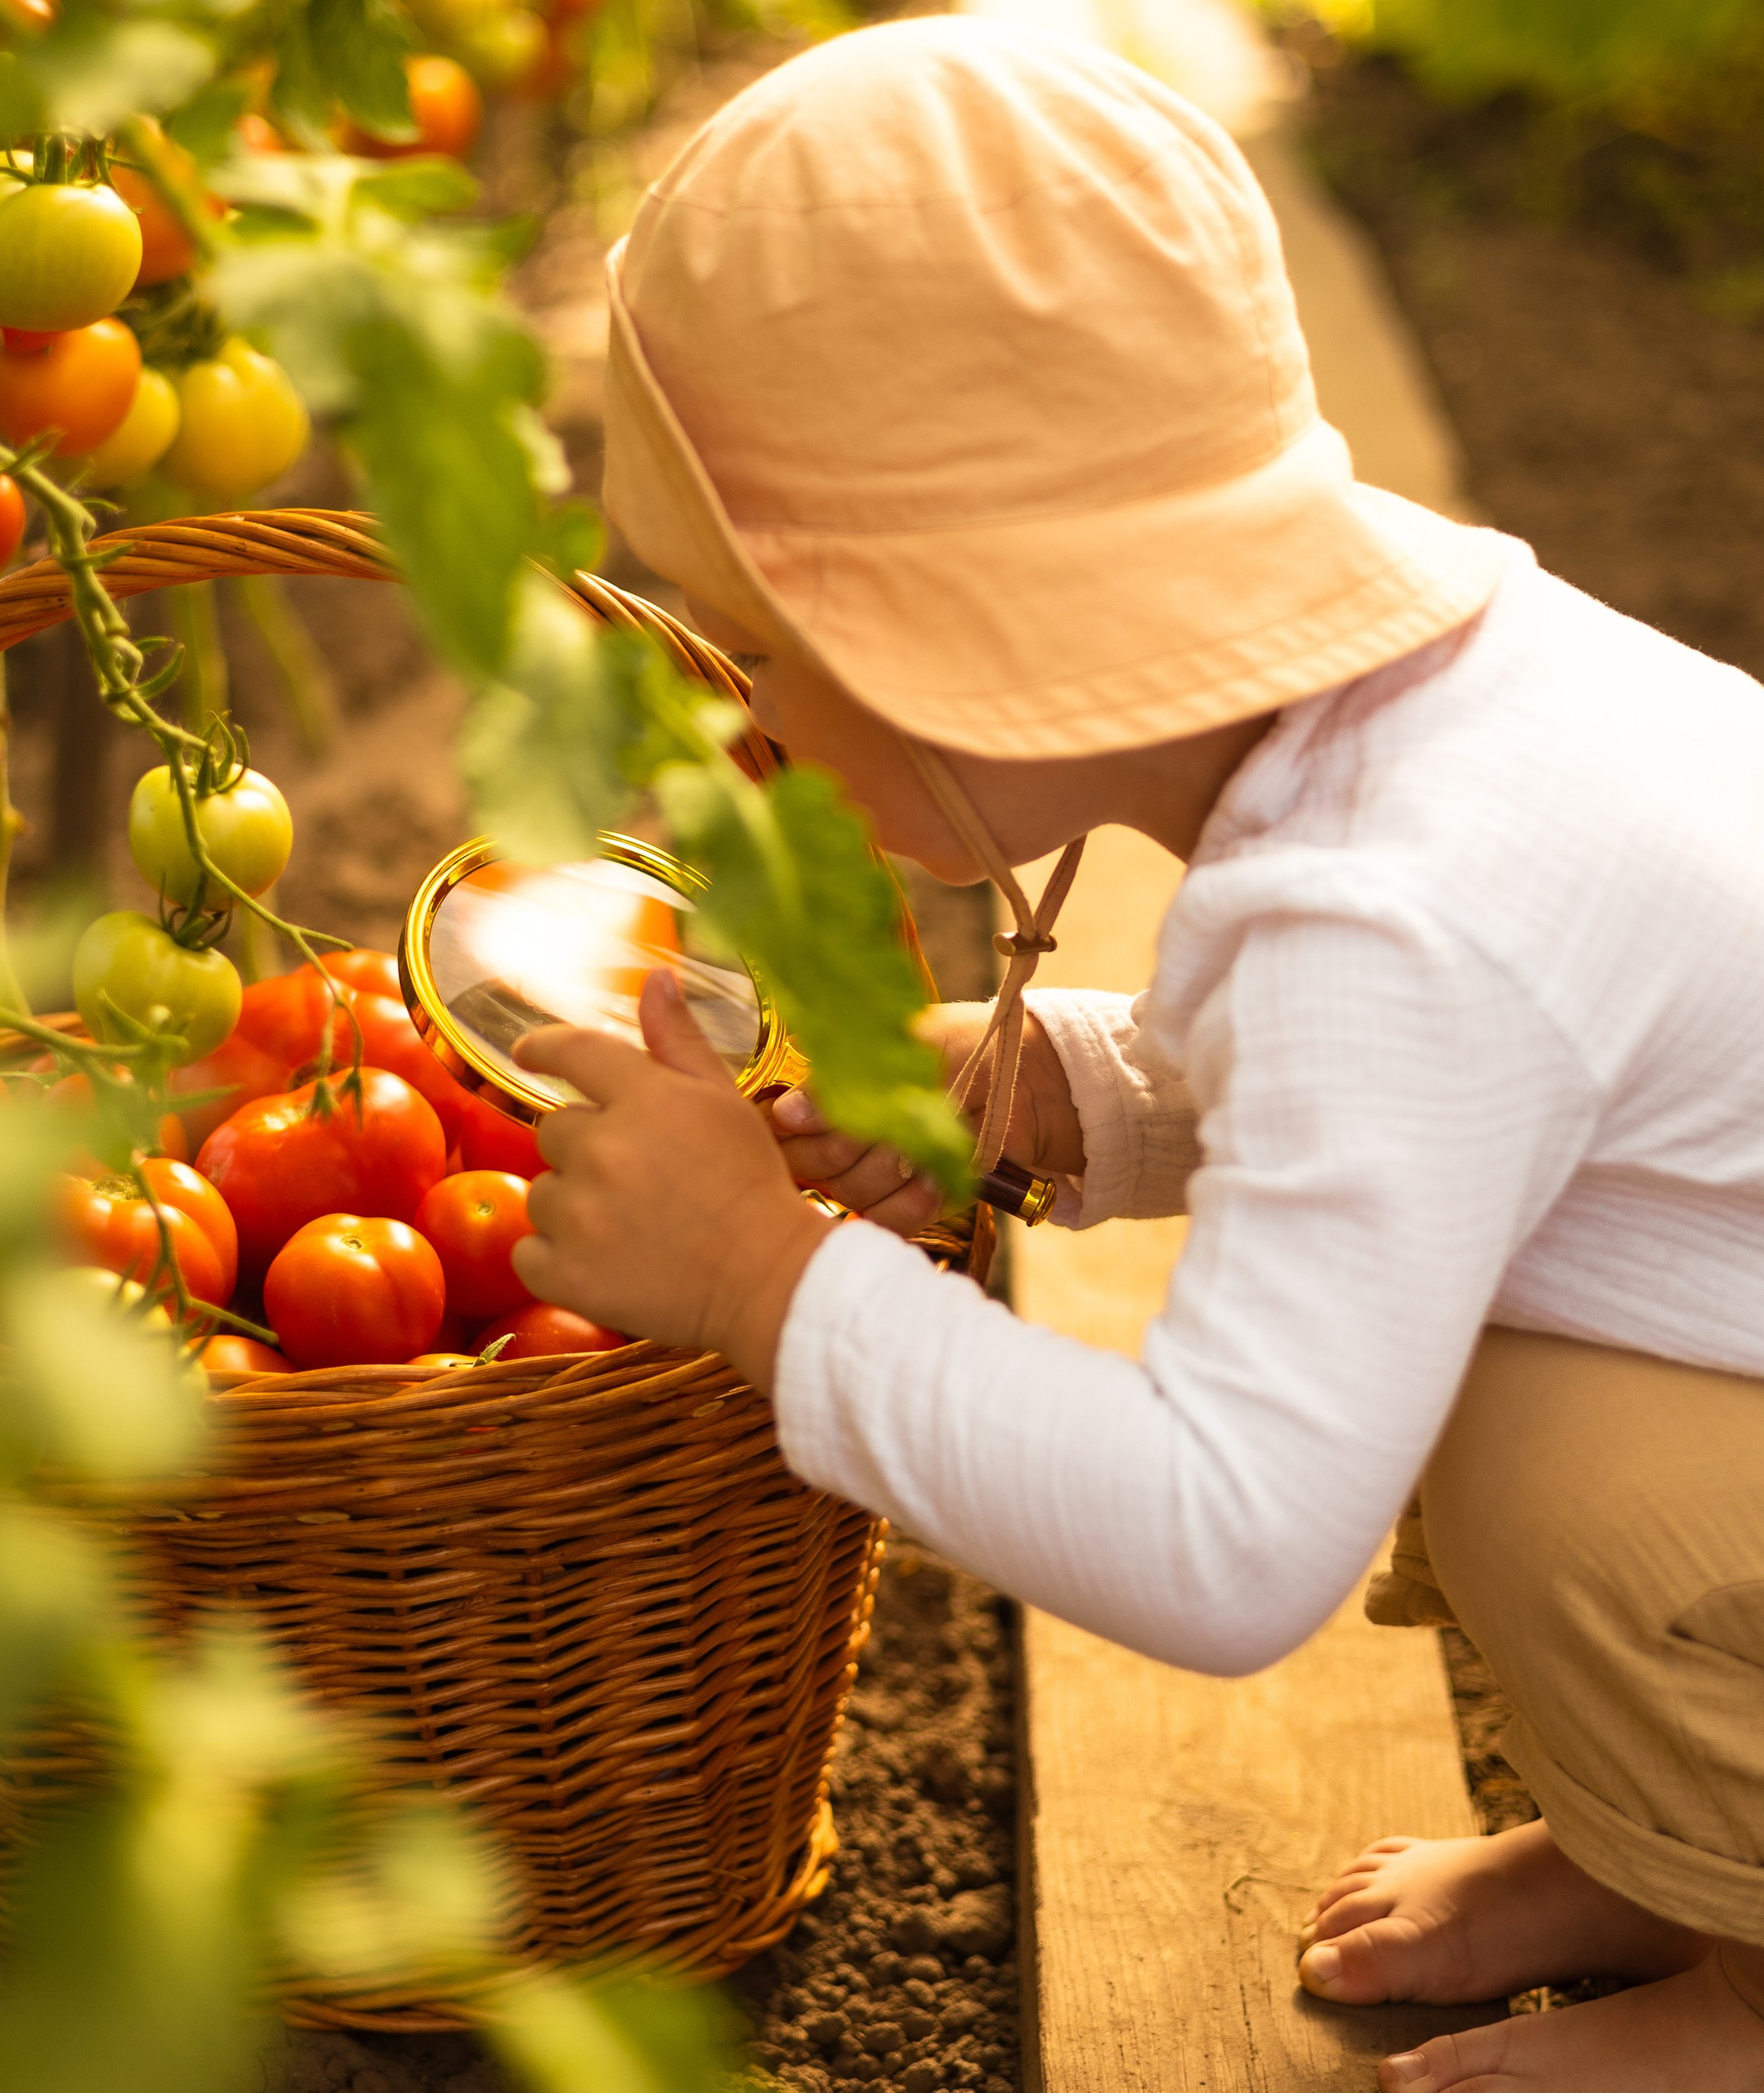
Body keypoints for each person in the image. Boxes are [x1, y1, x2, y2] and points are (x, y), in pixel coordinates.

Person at [504, 19, 1764, 2090]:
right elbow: (1440, 1092)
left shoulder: (1389, 911)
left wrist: (758, 1278)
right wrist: (1048, 1087)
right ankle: (1666, 1848)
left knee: (1554, 1461)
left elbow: (1219, 1531)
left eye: (776, 653)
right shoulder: (1439, 721)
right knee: (1455, 1325)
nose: (742, 732)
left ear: (962, 635)